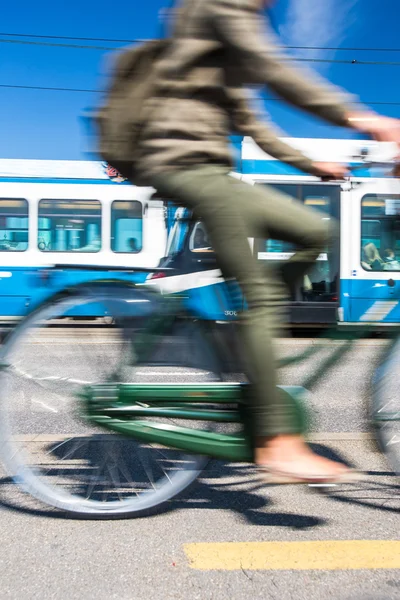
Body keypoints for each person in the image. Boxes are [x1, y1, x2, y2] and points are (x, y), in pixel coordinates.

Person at [135, 0, 400, 484]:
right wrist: (366, 120)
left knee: (318, 231)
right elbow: (276, 71)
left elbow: (255, 125)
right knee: (260, 297)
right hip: (189, 168)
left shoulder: (226, 47)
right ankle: (278, 443)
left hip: (209, 170)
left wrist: (312, 165)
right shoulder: (220, 5)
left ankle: (258, 324)